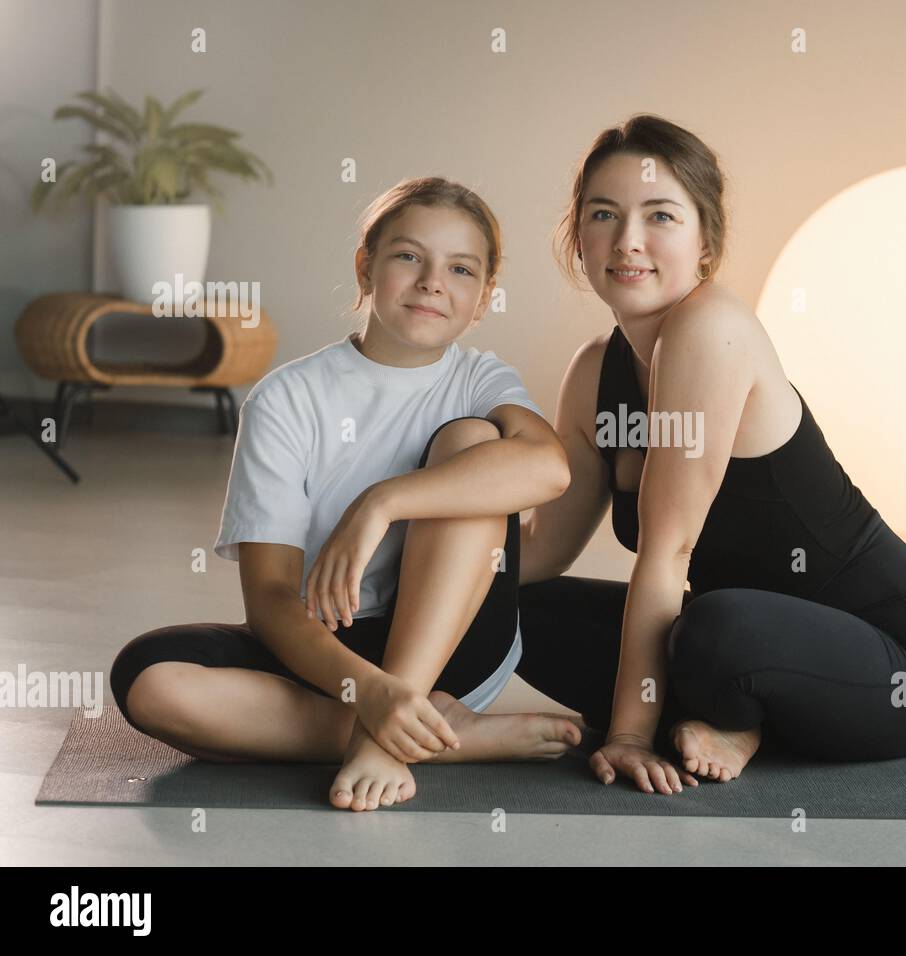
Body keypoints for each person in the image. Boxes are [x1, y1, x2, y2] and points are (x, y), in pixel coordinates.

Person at [516, 115, 906, 795]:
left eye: (659, 215)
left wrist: (629, 738)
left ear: (705, 244)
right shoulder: (592, 373)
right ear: (578, 239)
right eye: (603, 214)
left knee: (717, 628)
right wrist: (411, 565)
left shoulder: (710, 328)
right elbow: (543, 551)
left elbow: (667, 552)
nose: (627, 241)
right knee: (515, 607)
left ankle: (729, 715)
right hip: (720, 641)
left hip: (894, 662)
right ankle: (721, 708)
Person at [110, 176, 582, 813]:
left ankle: (388, 743)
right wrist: (370, 693)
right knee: (150, 680)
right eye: (408, 256)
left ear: (483, 298)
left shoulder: (479, 382)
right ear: (367, 268)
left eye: (461, 268)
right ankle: (441, 736)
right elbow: (272, 598)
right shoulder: (286, 398)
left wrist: (381, 502)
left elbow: (549, 469)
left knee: (473, 444)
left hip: (457, 649)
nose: (432, 281)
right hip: (331, 652)